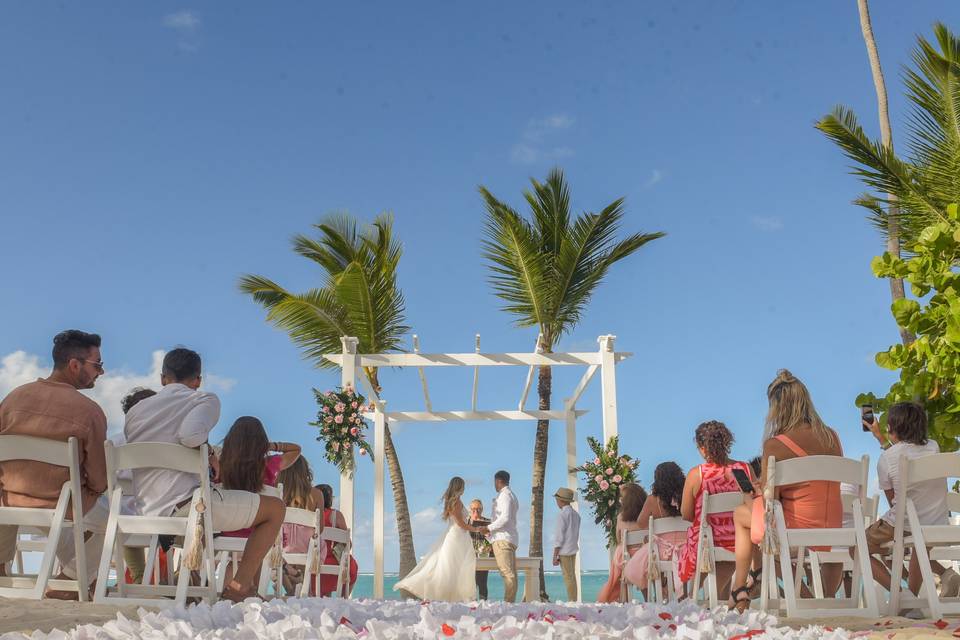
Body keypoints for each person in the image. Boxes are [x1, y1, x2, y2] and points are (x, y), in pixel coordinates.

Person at [124, 347, 285, 602]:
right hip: (187, 508)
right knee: (275, 509)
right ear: (197, 380)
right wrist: (208, 452)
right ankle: (239, 587)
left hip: (143, 510)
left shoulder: (136, 411)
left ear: (163, 378)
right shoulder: (203, 400)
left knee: (213, 504)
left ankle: (194, 580)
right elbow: (190, 436)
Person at [0, 330, 109, 598]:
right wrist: (89, 490)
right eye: (98, 365)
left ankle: (1, 567)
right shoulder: (89, 411)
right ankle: (70, 578)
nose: (101, 373)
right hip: (62, 505)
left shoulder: (12, 400)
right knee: (111, 518)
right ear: (75, 365)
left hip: (8, 500)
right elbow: (100, 479)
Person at [729, 369, 844, 612]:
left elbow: (773, 501)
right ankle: (772, 584)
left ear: (777, 408)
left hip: (797, 527)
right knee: (758, 518)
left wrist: (757, 493)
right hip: (832, 524)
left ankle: (742, 588)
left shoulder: (775, 444)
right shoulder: (833, 437)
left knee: (742, 513)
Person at [862, 402, 959, 597]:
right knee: (916, 545)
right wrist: (881, 439)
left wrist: (882, 440)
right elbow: (908, 453)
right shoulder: (934, 447)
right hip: (934, 522)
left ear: (892, 427)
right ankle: (928, 588)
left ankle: (901, 595)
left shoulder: (887, 458)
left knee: (857, 546)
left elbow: (894, 503)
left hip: (905, 524)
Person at [676, 422, 753, 601]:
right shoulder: (745, 469)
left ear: (703, 448)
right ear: (727, 442)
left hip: (708, 542)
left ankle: (689, 596)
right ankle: (721, 597)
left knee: (694, 537)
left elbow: (687, 515)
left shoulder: (697, 474)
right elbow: (753, 504)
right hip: (740, 542)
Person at [394, 476, 483, 601]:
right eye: (463, 486)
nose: (464, 489)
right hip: (457, 536)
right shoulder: (456, 502)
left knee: (455, 567)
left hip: (458, 536)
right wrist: (475, 529)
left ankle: (453, 596)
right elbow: (460, 523)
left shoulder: (454, 500)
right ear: (459, 487)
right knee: (451, 567)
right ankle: (444, 595)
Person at [218, 417, 302, 536]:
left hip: (226, 531)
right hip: (259, 536)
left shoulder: (220, 467)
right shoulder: (269, 465)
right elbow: (296, 449)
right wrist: (271, 446)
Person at [625, 462, 687, 598]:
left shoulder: (653, 500)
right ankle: (683, 596)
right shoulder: (687, 497)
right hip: (687, 550)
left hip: (661, 552)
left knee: (640, 559)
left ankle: (656, 595)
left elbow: (641, 523)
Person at [117, 387, 157, 585]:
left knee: (124, 511)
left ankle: (139, 576)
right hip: (163, 518)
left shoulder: (115, 442)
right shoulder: (170, 443)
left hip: (120, 522)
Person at [277, 457, 325, 595]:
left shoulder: (277, 493)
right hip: (306, 547)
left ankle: (292, 589)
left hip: (283, 546)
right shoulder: (316, 494)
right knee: (313, 541)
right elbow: (320, 528)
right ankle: (303, 589)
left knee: (276, 546)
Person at [597, 482, 647, 603]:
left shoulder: (621, 517)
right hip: (645, 558)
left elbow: (619, 540)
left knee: (620, 552)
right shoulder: (647, 516)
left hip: (627, 559)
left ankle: (622, 598)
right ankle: (648, 597)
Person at [314, 483, 358, 596]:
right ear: (330, 499)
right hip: (336, 563)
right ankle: (344, 598)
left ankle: (322, 596)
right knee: (352, 565)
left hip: (314, 563)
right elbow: (348, 544)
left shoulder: (310, 515)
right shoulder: (336, 515)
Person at [487, 470, 519, 602]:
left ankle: (508, 604)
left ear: (498, 481)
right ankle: (510, 603)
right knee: (511, 574)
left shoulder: (504, 496)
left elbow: (504, 517)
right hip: (508, 537)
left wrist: (488, 527)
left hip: (502, 538)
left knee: (507, 574)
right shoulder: (511, 495)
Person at [551, 487, 581, 602]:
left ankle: (572, 601)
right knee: (572, 577)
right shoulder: (576, 515)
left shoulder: (562, 515)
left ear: (561, 500)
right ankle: (573, 600)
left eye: (557, 499)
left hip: (564, 551)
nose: (556, 502)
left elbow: (559, 537)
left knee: (568, 578)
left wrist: (555, 555)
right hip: (573, 549)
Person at [468, 498, 492, 600]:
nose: (476, 512)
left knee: (482, 582)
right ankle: (471, 606)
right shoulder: (467, 522)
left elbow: (493, 539)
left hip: (484, 554)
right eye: (473, 509)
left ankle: (484, 605)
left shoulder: (488, 522)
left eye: (478, 509)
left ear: (482, 510)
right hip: (469, 556)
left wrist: (487, 537)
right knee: (471, 583)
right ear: (470, 509)